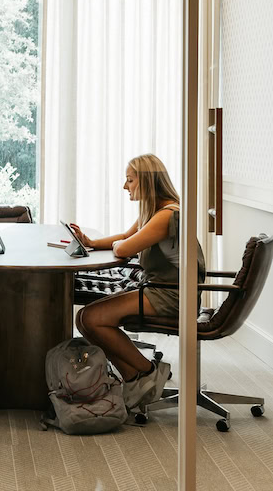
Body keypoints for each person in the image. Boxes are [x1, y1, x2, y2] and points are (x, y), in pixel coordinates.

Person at [67, 153, 196, 411]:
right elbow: (126, 237)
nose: (125, 186)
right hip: (158, 288)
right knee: (84, 319)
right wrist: (90, 242)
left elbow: (124, 248)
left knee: (91, 318)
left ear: (146, 181)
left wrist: (119, 245)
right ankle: (137, 379)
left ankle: (149, 371)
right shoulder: (155, 210)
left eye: (130, 180)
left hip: (173, 294)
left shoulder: (167, 215)